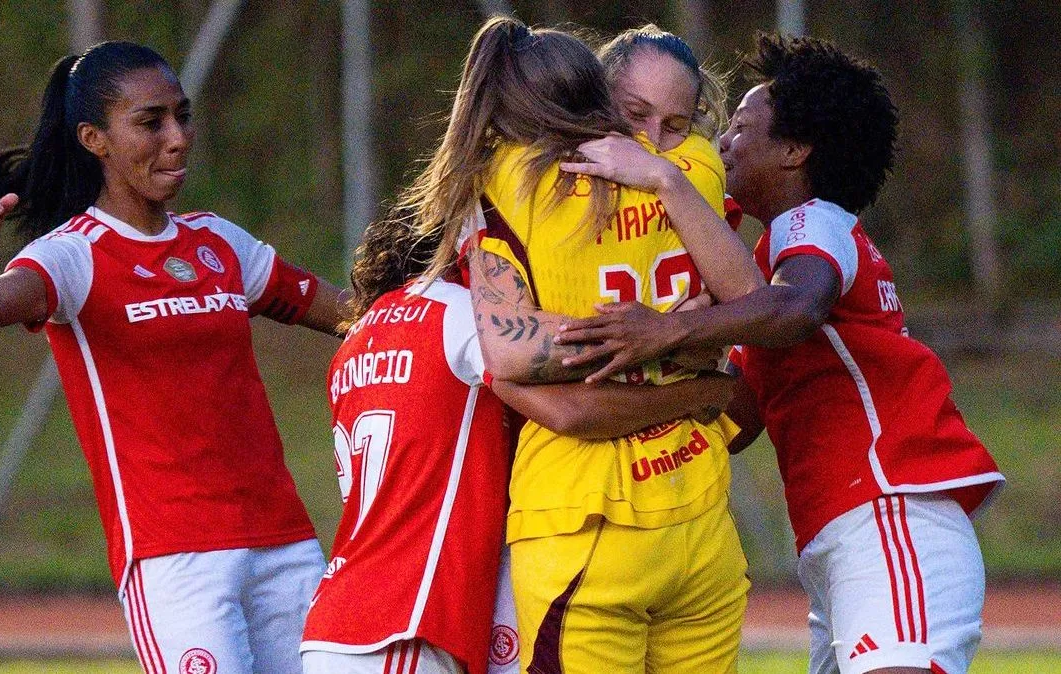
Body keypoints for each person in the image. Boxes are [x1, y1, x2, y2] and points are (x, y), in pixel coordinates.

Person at [556, 33, 1005, 674]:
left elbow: (796, 312)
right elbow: (736, 421)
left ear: (794, 151)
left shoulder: (811, 223)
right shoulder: (762, 276)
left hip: (889, 513)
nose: (720, 145)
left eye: (739, 127)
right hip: (840, 535)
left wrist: (666, 331)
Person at [397, 16, 765, 673]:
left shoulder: (510, 180)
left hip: (581, 524)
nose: (653, 141)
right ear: (597, 97)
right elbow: (749, 304)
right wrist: (676, 343)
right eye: (635, 116)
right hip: (699, 503)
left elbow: (510, 357)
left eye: (671, 124)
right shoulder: (697, 168)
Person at [0, 42, 347, 673]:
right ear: (94, 138)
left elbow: (349, 312)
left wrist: (446, 286)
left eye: (183, 115)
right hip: (173, 559)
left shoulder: (219, 242)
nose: (178, 138)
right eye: (152, 123)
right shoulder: (71, 256)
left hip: (285, 543)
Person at [299, 215, 739, 674]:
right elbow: (570, 406)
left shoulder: (355, 343)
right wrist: (685, 363)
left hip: (347, 613)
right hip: (405, 625)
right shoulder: (458, 314)